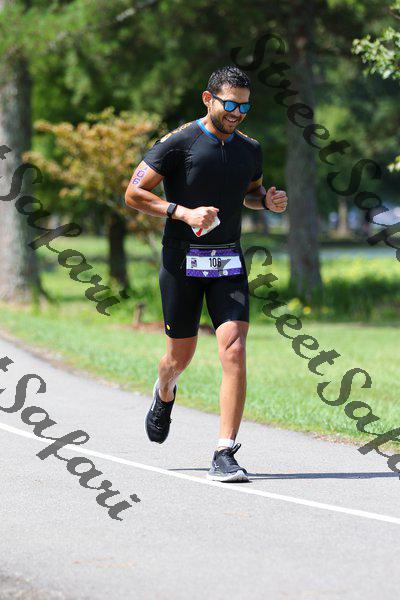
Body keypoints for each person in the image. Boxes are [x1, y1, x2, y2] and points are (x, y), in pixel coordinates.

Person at [125, 65, 287, 482]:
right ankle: (165, 391)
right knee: (178, 358)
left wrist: (266, 201)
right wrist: (182, 212)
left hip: (228, 261)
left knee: (234, 348)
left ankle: (224, 450)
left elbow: (250, 193)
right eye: (230, 104)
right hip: (181, 262)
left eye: (244, 107)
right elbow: (134, 193)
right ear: (208, 98)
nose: (237, 113)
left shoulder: (250, 149)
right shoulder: (178, 143)